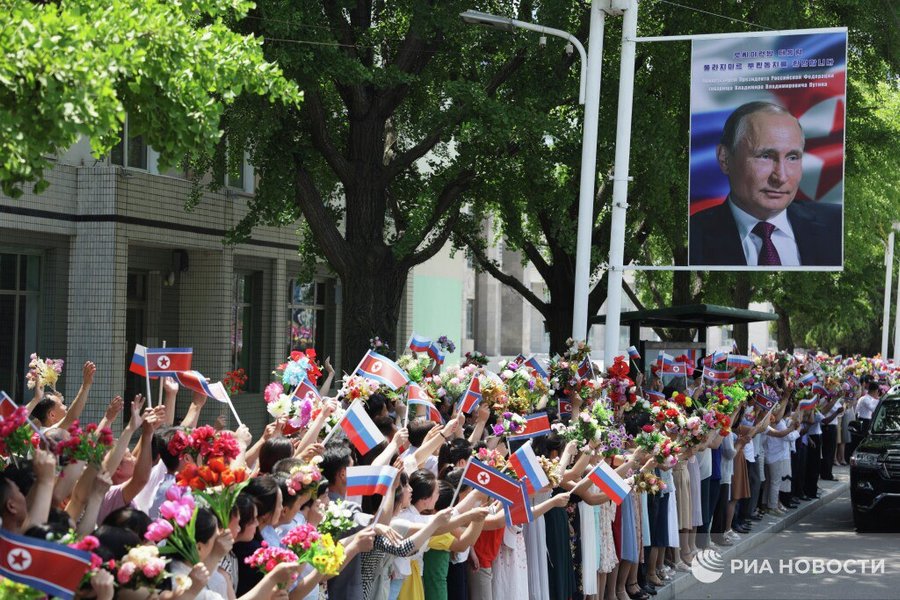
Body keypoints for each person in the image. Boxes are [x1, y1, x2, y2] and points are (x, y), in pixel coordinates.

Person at [689, 101, 841, 267]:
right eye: (765, 156)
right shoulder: (692, 238)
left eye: (792, 158)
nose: (781, 177)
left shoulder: (837, 224)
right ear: (724, 158)